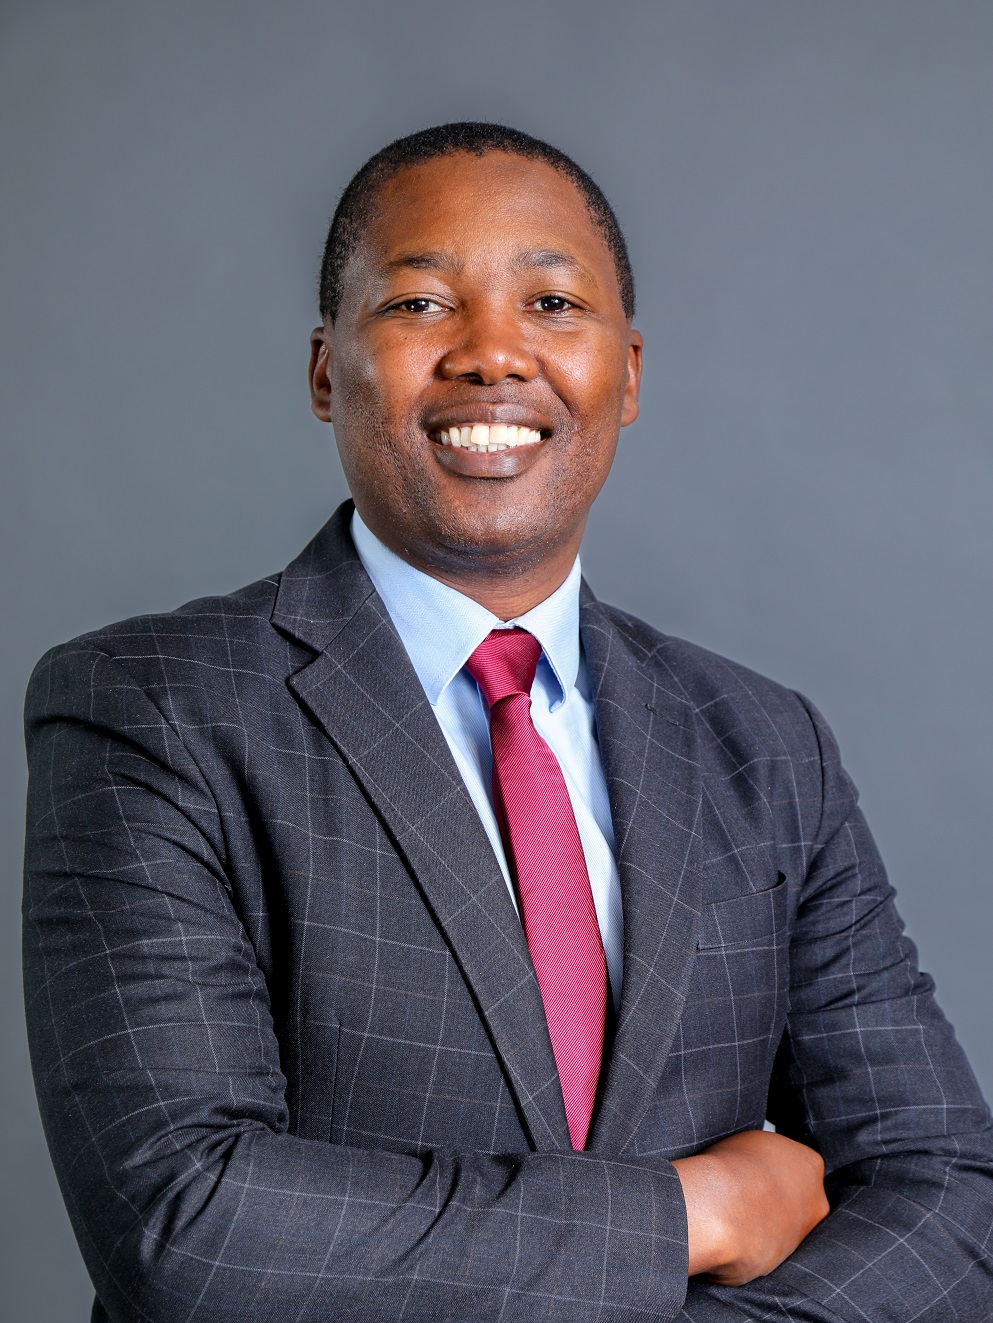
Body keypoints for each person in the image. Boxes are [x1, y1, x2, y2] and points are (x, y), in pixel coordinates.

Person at [22, 122, 993, 1323]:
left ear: (625, 373)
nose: (492, 354)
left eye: (552, 303)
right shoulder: (151, 710)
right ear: (326, 371)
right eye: (421, 303)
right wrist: (688, 1213)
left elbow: (947, 1195)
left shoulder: (764, 743)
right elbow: (187, 1229)